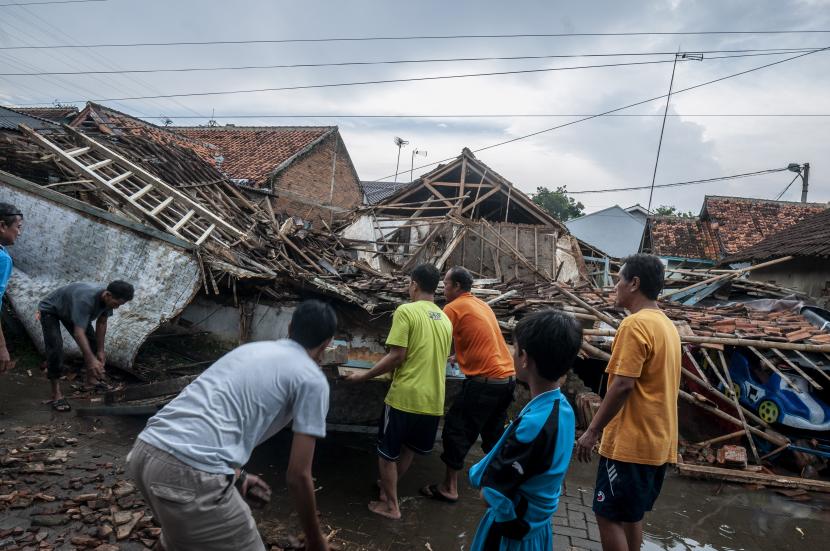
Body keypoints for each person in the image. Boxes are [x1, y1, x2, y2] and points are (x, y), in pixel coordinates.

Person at [126, 300, 338, 551]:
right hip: (189, 472)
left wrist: (239, 475)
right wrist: (315, 540)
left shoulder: (250, 351)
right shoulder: (312, 379)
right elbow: (298, 475)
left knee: (176, 540)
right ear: (327, 343)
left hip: (145, 451)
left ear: (290, 327)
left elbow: (211, 417)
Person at [575, 253, 681, 551]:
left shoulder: (635, 325)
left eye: (619, 279)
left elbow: (622, 385)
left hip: (631, 445)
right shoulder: (667, 326)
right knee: (631, 515)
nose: (615, 286)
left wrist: (592, 431)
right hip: (657, 443)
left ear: (634, 283)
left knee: (606, 514)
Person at [343, 263, 452, 520]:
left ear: (414, 284)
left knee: (386, 454)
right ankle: (386, 491)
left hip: (405, 397)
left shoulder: (406, 311)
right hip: (433, 399)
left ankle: (391, 506)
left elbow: (397, 355)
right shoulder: (445, 318)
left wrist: (365, 376)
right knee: (409, 450)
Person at [468, 309, 582, 551]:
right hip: (537, 530)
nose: (511, 352)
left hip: (509, 537)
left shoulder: (532, 426)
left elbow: (491, 495)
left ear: (524, 358)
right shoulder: (563, 409)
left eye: (514, 347)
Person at [421, 266, 515, 503]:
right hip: (507, 379)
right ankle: (504, 486)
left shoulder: (453, 308)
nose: (443, 288)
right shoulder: (481, 304)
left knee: (456, 429)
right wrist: (457, 356)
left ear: (457, 287)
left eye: (446, 284)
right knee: (493, 433)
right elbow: (478, 340)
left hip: (484, 382)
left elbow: (434, 337)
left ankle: (449, 488)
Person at [38, 280, 134, 411]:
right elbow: (79, 333)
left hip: (71, 310)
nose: (117, 307)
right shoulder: (86, 300)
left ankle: (91, 382)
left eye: (120, 305)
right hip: (51, 309)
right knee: (55, 348)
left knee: (93, 343)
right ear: (108, 295)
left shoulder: (108, 302)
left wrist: (100, 351)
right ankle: (56, 394)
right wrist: (90, 360)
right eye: (117, 304)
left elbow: (102, 323)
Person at [0, 203, 23, 375]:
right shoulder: (2, 259)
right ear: (2, 226)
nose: (19, 233)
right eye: (18, 227)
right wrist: (2, 347)